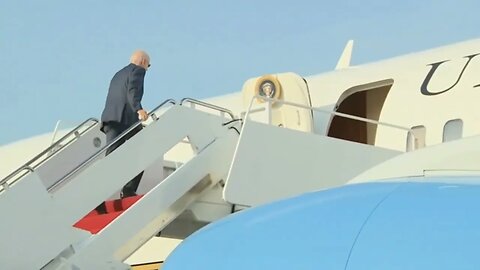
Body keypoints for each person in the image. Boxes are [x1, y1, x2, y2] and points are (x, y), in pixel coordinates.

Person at [96, 50, 151, 213]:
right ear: (142, 61)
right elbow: (132, 91)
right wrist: (139, 109)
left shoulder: (118, 74)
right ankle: (128, 190)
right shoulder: (138, 71)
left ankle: (97, 196)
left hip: (111, 119)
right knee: (142, 152)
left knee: (111, 159)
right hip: (126, 119)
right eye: (148, 65)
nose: (148, 68)